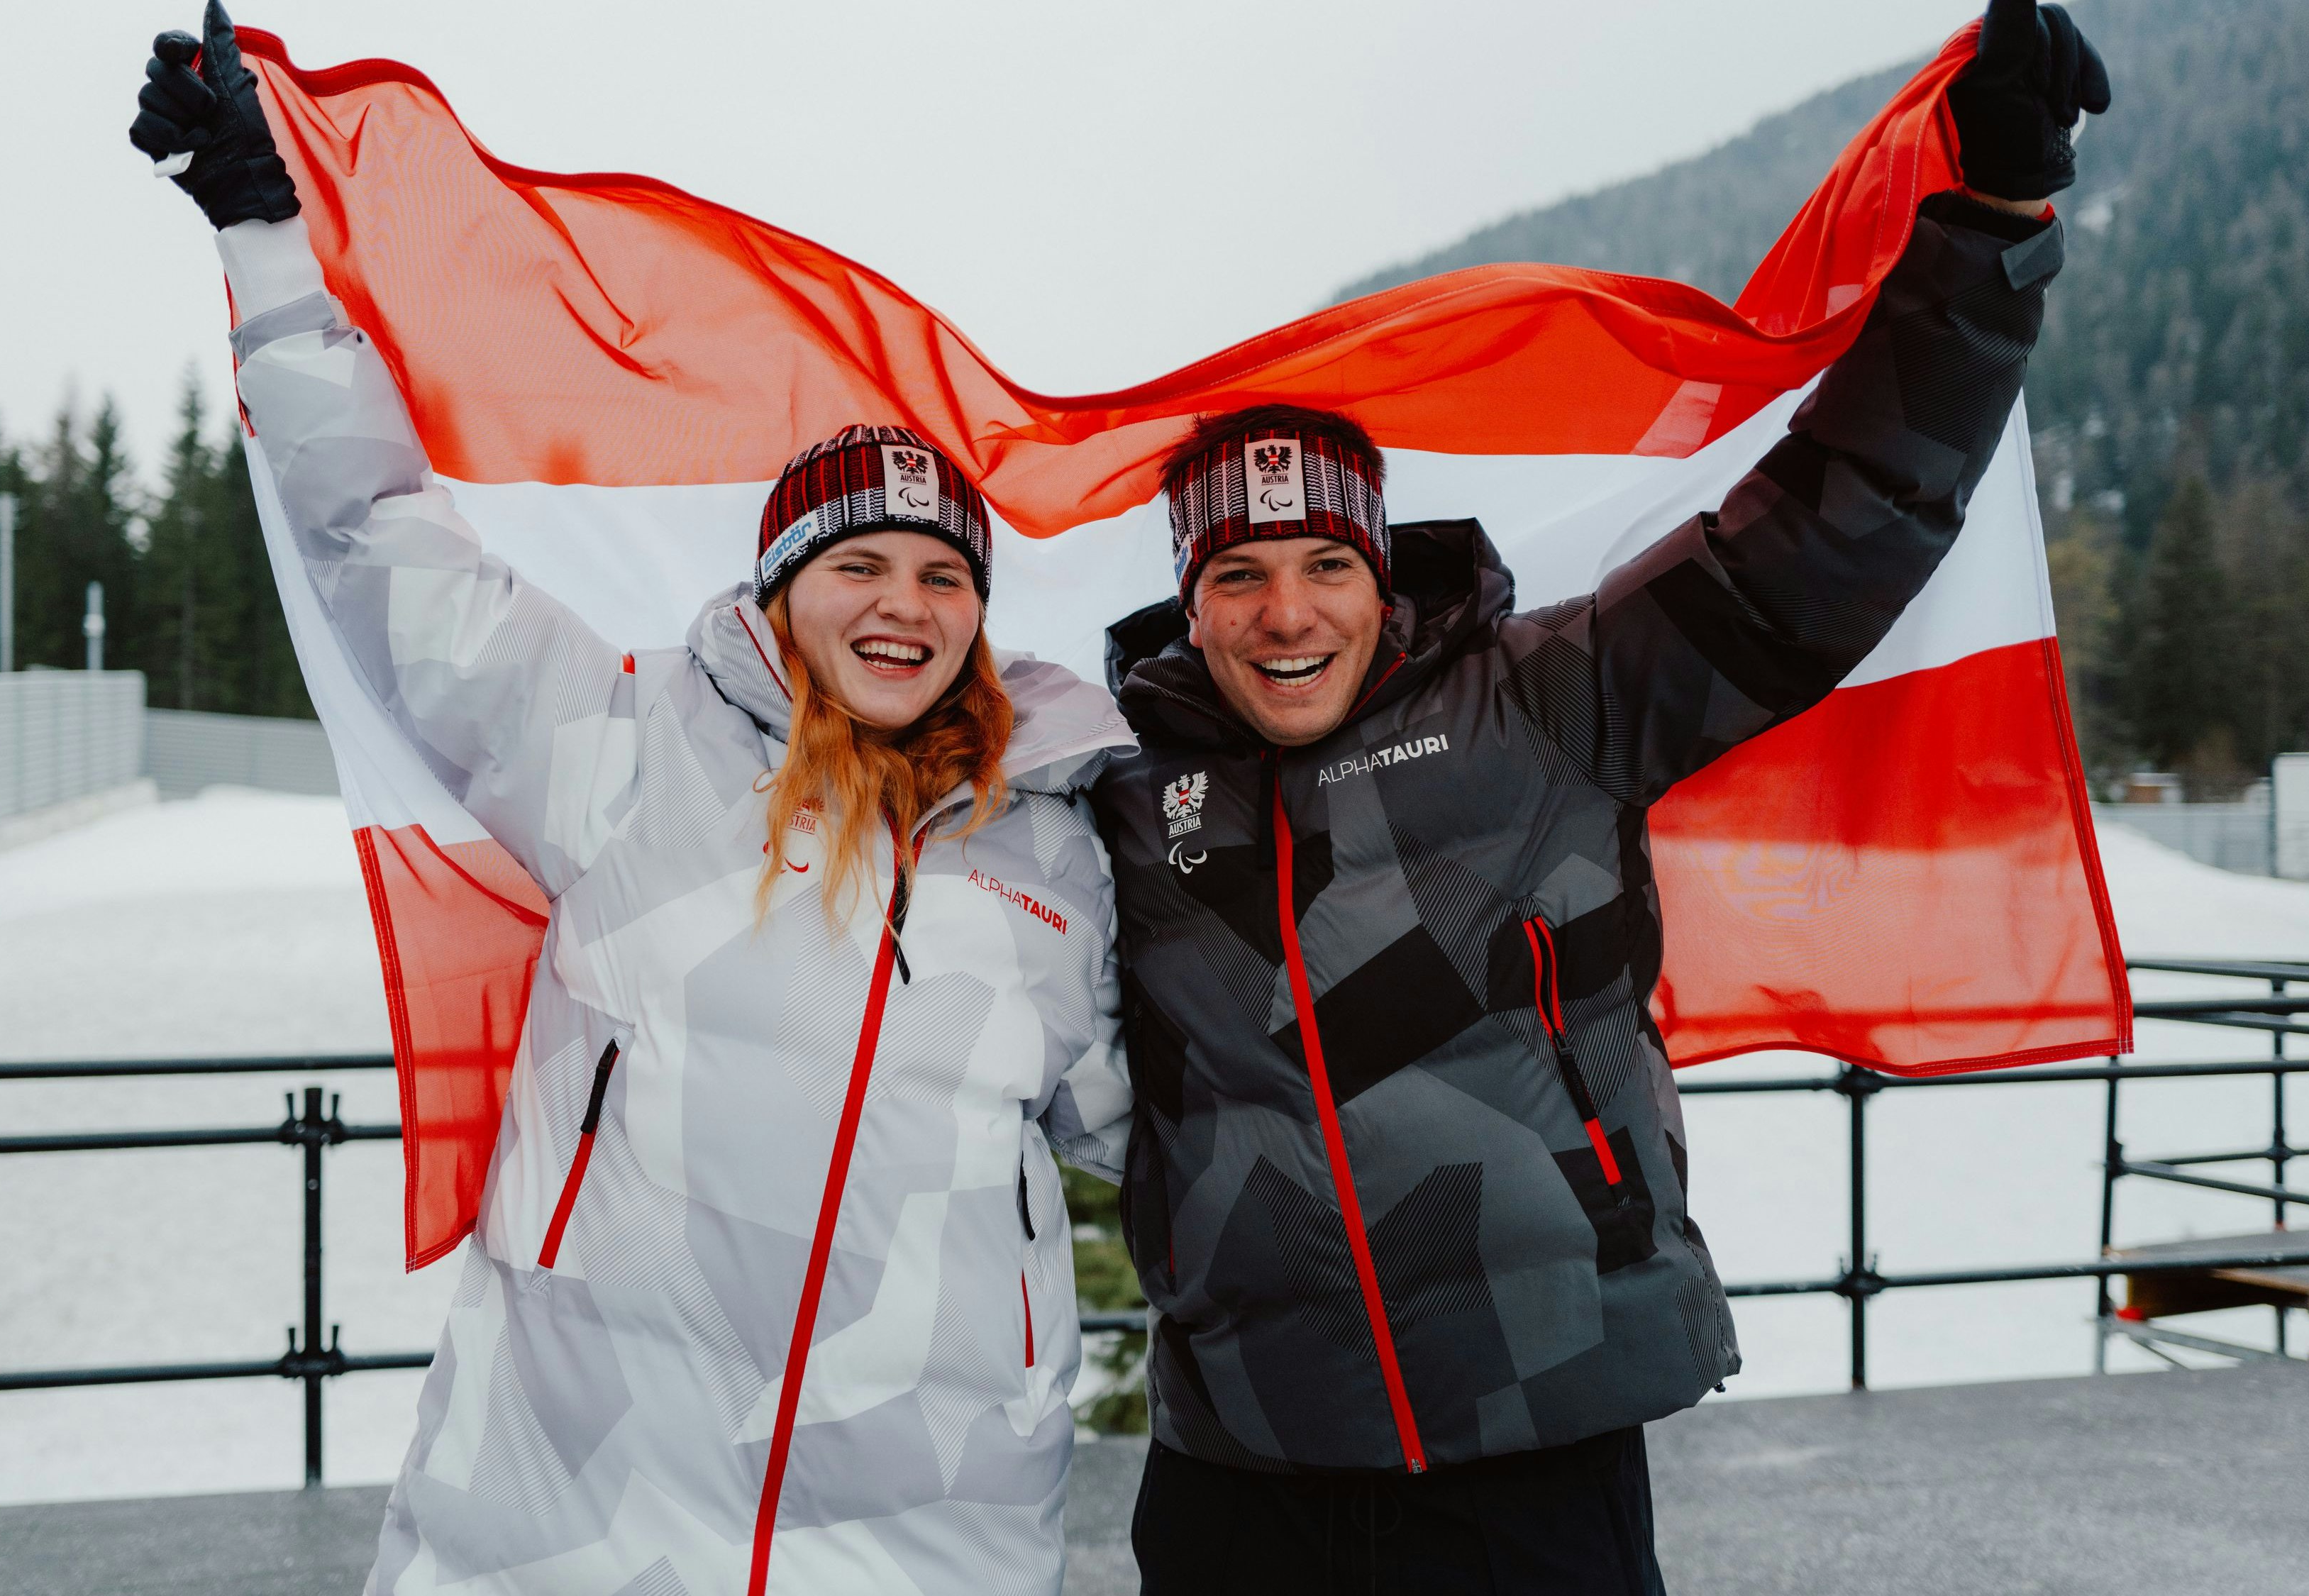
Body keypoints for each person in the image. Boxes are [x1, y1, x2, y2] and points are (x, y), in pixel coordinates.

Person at [1088, 3, 2110, 1590]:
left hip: (1533, 1434)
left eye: (1319, 567)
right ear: (1189, 595)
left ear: (1380, 577)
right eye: (1237, 574)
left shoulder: (1555, 696)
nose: (1282, 613)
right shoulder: (1114, 788)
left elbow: (1834, 532)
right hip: (1244, 1463)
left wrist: (1982, 232)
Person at [128, 10, 1138, 1593]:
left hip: (929, 1522)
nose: (902, 602)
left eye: (941, 573)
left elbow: (1176, 1116)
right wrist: (266, 234)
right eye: (857, 565)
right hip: (576, 1501)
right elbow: (379, 536)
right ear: (780, 595)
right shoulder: (613, 747)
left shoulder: (1060, 850)